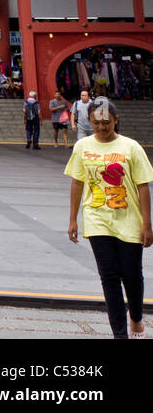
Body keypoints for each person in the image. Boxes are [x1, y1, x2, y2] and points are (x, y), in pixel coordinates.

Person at [65, 99, 152, 339]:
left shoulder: (131, 147)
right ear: (89, 121)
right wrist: (73, 219)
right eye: (96, 123)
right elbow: (77, 182)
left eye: (106, 122)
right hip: (97, 217)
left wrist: (147, 224)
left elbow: (143, 186)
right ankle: (120, 334)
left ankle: (135, 317)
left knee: (132, 275)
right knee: (109, 277)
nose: (102, 127)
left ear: (116, 120)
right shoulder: (82, 147)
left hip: (128, 218)